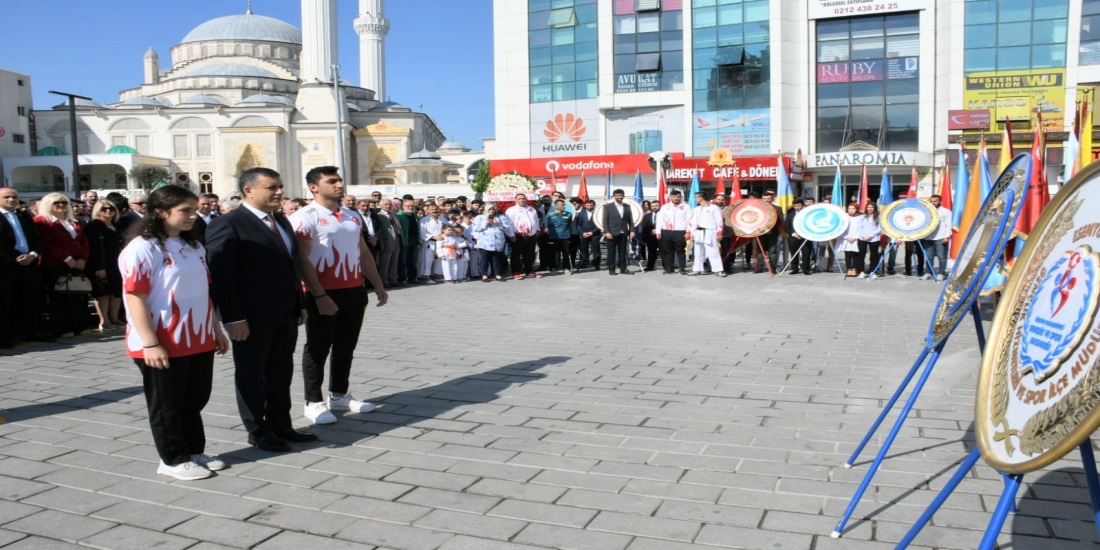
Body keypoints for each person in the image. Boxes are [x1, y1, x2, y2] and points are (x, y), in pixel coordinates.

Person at [119, 185, 230, 480]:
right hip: (161, 340)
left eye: (194, 209)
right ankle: (171, 458)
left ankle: (194, 451)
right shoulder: (143, 247)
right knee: (167, 402)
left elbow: (203, 291)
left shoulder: (193, 246)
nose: (194, 215)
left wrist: (215, 329)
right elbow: (135, 296)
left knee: (194, 399)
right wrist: (150, 343)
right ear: (160, 212)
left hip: (197, 336)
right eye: (185, 211)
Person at [206, 168, 313, 453]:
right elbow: (222, 276)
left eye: (280, 186)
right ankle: (257, 430)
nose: (279, 192)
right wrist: (234, 318)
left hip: (284, 313)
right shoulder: (229, 223)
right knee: (251, 373)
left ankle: (281, 424)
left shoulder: (280, 220)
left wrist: (299, 304)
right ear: (249, 191)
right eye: (271, 187)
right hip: (250, 317)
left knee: (281, 371)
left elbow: (291, 266)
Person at [290, 166, 388, 426]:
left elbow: (363, 252)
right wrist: (319, 294)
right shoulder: (305, 217)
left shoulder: (350, 215)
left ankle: (340, 395)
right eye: (331, 181)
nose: (339, 185)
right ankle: (313, 401)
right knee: (318, 348)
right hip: (321, 292)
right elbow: (301, 260)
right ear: (313, 187)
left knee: (346, 346)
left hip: (353, 290)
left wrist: (377, 284)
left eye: (340, 180)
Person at [35, 193, 91, 337]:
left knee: (77, 296)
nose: (61, 205)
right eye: (56, 203)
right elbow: (46, 244)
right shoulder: (42, 221)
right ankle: (63, 328)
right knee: (58, 298)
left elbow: (83, 242)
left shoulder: (74, 221)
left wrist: (83, 259)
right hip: (54, 264)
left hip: (76, 265)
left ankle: (79, 325)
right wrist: (66, 258)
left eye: (64, 202)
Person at [0, 187, 50, 348]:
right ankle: (5, 336)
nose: (11, 200)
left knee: (31, 299)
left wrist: (32, 255)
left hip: (29, 264)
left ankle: (32, 331)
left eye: (14, 196)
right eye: (6, 197)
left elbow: (38, 239)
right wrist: (16, 256)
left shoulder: (24, 215)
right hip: (6, 266)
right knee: (6, 302)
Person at [85, 200, 125, 329]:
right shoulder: (94, 226)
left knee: (117, 291)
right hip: (103, 263)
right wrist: (98, 266)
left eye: (111, 209)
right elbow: (93, 247)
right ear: (98, 211)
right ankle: (104, 319)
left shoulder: (116, 225)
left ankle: (114, 317)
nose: (108, 211)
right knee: (103, 292)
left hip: (117, 263)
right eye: (104, 209)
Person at [688, 191, 726, 277]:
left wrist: (719, 232)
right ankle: (697, 269)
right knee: (697, 251)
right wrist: (692, 233)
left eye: (696, 197)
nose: (695, 199)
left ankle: (718, 270)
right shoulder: (696, 209)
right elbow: (693, 222)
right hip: (698, 232)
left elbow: (719, 221)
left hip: (710, 231)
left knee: (713, 251)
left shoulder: (713, 208)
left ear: (701, 198)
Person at [506, 193, 542, 279]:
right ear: (515, 200)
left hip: (531, 236)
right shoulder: (511, 210)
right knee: (516, 255)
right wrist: (511, 235)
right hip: (518, 236)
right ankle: (516, 272)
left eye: (523, 198)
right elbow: (508, 224)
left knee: (530, 254)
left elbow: (536, 220)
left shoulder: (532, 209)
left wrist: (538, 230)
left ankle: (529, 271)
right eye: (519, 199)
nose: (522, 200)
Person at [600, 189, 636, 275]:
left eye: (621, 195)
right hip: (612, 233)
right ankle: (611, 270)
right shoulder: (607, 206)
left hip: (623, 232)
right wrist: (607, 232)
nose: (619, 197)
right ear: (614, 196)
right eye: (617, 195)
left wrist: (632, 230)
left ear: (623, 196)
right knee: (611, 252)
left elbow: (630, 220)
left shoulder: (627, 206)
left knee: (623, 251)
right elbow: (605, 220)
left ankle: (623, 269)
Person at [656, 190, 690, 275]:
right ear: (670, 197)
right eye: (674, 197)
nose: (676, 198)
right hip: (666, 231)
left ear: (680, 197)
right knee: (668, 251)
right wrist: (658, 231)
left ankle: (682, 268)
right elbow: (659, 219)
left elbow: (690, 220)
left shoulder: (686, 207)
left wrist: (688, 231)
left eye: (678, 197)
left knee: (681, 251)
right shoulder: (664, 207)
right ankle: (669, 268)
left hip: (680, 231)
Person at [473, 205, 510, 281]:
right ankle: (484, 275)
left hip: (497, 242)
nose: (492, 211)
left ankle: (497, 274)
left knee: (496, 259)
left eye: (493, 209)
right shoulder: (479, 217)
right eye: (489, 209)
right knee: (484, 259)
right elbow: (475, 228)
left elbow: (506, 228)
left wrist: (498, 223)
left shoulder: (501, 217)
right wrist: (485, 224)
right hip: (484, 242)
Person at [921, 194, 952, 280]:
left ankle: (942, 273)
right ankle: (928, 273)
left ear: (940, 201)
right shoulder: (926, 211)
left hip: (940, 237)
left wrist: (947, 236)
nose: (933, 203)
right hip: (928, 237)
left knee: (941, 256)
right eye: (931, 201)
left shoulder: (946, 212)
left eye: (935, 201)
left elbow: (948, 225)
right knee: (928, 256)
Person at [375, 197, 401, 287]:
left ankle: (393, 279)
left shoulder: (394, 215)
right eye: (386, 204)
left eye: (390, 204)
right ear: (381, 205)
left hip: (397, 240)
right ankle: (384, 280)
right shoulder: (379, 216)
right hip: (386, 240)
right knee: (385, 262)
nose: (388, 206)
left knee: (394, 261)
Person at [783, 200, 812, 275]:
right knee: (794, 253)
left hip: (805, 236)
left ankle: (806, 269)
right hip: (793, 236)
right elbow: (787, 226)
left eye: (799, 206)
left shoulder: (807, 213)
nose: (797, 207)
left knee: (806, 253)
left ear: (802, 205)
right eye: (795, 206)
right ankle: (795, 268)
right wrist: (793, 233)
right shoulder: (790, 213)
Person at [418, 203, 445, 284]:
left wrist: (443, 235)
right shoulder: (424, 220)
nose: (434, 211)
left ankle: (437, 275)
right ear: (428, 210)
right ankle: (426, 276)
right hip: (429, 242)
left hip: (441, 242)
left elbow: (448, 229)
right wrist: (434, 237)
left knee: (439, 260)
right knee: (428, 260)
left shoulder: (443, 219)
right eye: (432, 209)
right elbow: (423, 233)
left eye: (436, 209)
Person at [544, 199, 573, 273]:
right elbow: (546, 226)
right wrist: (546, 229)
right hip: (554, 237)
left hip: (565, 237)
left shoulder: (569, 214)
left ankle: (566, 268)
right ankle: (552, 268)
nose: (564, 206)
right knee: (553, 254)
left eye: (564, 205)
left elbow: (570, 225)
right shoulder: (550, 215)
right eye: (562, 205)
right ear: (556, 206)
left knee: (566, 254)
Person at [395, 198, 420, 285]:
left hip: (414, 240)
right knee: (402, 261)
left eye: (412, 206)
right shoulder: (399, 215)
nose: (410, 207)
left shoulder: (414, 215)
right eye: (408, 206)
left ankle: (412, 278)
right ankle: (402, 278)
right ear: (403, 206)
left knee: (413, 260)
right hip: (404, 240)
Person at [572, 199, 601, 271]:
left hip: (595, 234)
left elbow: (600, 224)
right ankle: (583, 263)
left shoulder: (598, 213)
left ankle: (596, 264)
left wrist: (592, 232)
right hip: (583, 234)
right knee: (583, 250)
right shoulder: (581, 213)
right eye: (588, 205)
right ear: (585, 205)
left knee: (596, 250)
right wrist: (582, 233)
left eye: (591, 205)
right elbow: (578, 225)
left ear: (594, 205)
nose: (589, 207)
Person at [858, 202, 882, 278]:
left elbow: (880, 228)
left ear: (874, 208)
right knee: (861, 255)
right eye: (868, 207)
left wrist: (870, 235)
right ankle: (861, 271)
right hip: (862, 238)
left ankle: (872, 271)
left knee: (874, 256)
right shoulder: (862, 216)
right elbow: (858, 227)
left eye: (871, 207)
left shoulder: (878, 217)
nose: (870, 209)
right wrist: (863, 235)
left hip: (874, 239)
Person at [842, 203, 863, 277]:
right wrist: (846, 237)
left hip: (856, 238)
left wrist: (855, 237)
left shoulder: (860, 217)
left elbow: (861, 228)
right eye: (849, 208)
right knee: (847, 254)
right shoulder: (844, 217)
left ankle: (854, 269)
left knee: (855, 254)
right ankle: (848, 268)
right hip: (846, 238)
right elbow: (841, 228)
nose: (851, 210)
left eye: (853, 209)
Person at [640, 200, 661, 272]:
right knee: (651, 252)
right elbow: (644, 226)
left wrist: (658, 230)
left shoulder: (663, 214)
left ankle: (667, 266)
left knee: (664, 252)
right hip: (651, 237)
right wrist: (645, 237)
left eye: (656, 206)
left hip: (662, 237)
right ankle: (650, 266)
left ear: (659, 206)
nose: (654, 207)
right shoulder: (647, 215)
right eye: (652, 206)